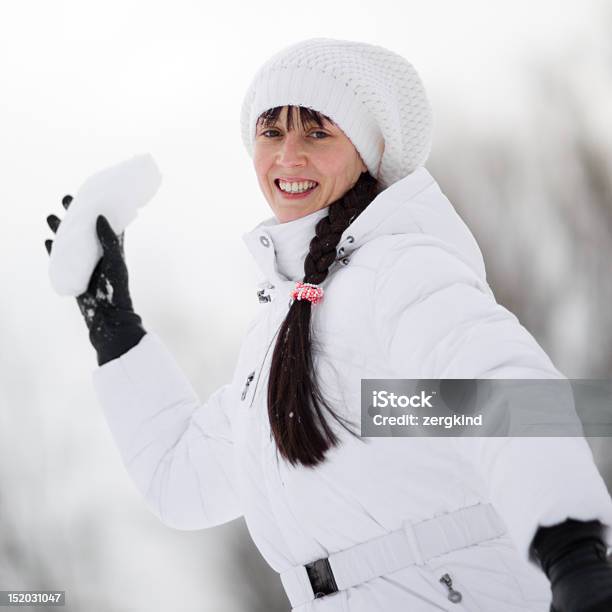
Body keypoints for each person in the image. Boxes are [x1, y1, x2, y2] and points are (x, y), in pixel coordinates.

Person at [45, 37, 612, 612]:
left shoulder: (399, 270)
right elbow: (183, 481)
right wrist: (115, 331)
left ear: (370, 150)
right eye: (272, 132)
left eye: (317, 132)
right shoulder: (280, 330)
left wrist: (574, 551)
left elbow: (508, 396)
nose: (288, 156)